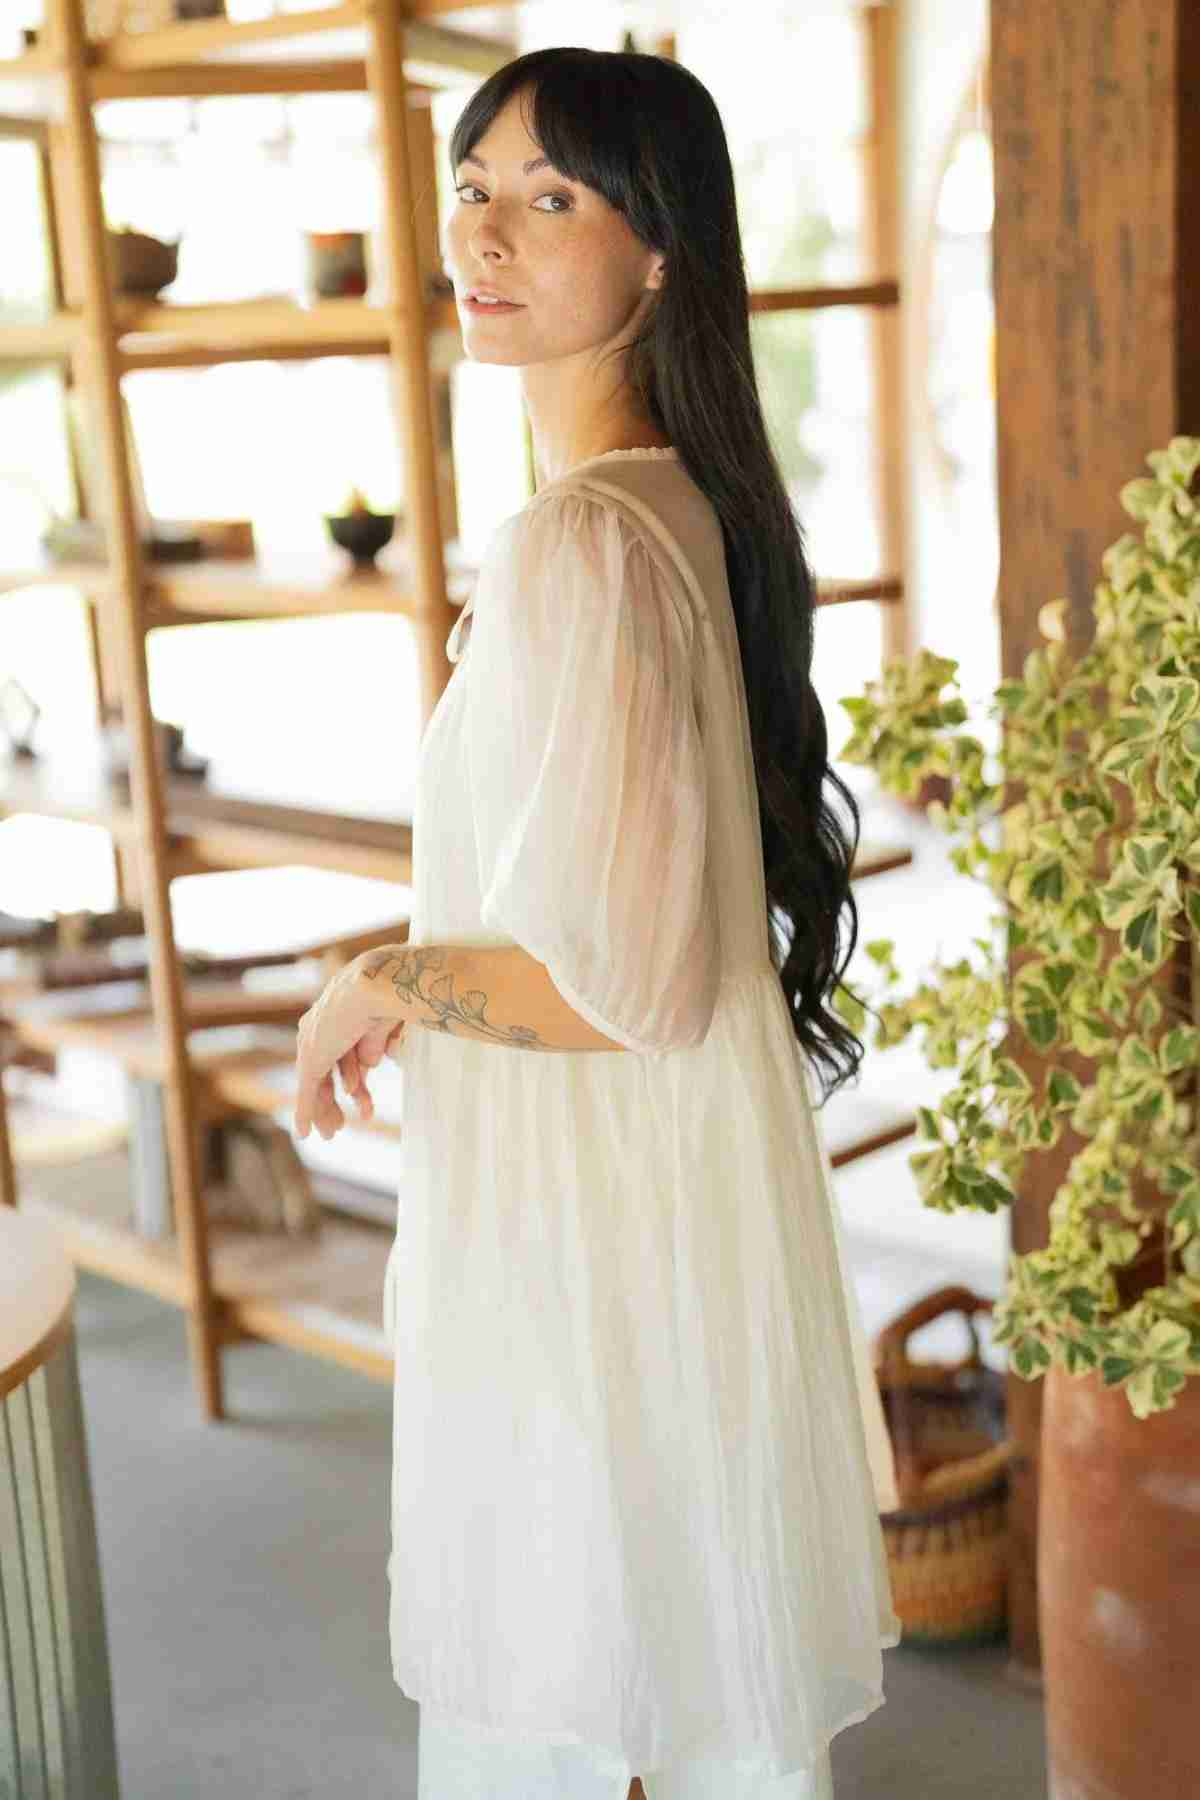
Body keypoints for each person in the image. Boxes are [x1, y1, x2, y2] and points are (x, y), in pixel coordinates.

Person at [292, 44, 901, 1800]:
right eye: (475, 184)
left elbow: (622, 981)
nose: (486, 230)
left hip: (592, 1222)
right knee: (649, 1689)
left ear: (660, 256)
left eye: (553, 196)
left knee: (577, 1699)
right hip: (639, 1203)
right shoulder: (670, 509)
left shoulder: (584, 541)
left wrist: (375, 980)